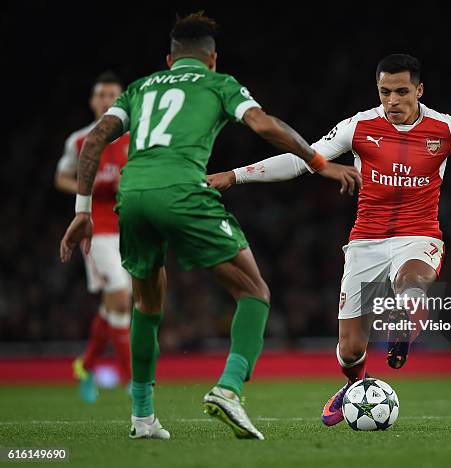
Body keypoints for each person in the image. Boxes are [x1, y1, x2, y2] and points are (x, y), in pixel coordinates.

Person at [59, 12, 360, 440]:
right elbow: (265, 125)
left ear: (169, 59)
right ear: (213, 58)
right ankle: (229, 388)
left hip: (133, 197)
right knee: (254, 292)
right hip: (183, 190)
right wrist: (319, 163)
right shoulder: (219, 84)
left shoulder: (139, 89)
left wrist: (82, 211)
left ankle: (143, 418)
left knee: (146, 304)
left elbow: (92, 141)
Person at [208, 53, 451, 427]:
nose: (393, 101)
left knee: (411, 280)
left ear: (419, 90)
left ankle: (404, 316)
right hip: (365, 242)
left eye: (402, 92)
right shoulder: (359, 127)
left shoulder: (447, 128)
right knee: (350, 348)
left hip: (418, 235)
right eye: (385, 92)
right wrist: (235, 175)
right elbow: (303, 160)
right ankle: (356, 386)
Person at [55, 72, 131, 403]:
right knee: (120, 295)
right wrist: (89, 186)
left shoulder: (135, 138)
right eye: (100, 94)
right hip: (96, 229)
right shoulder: (79, 141)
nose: (105, 100)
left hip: (128, 228)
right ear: (92, 101)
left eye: (112, 94)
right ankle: (134, 380)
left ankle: (85, 366)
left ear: (122, 99)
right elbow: (61, 178)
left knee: (113, 303)